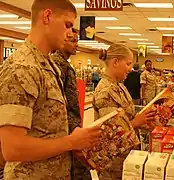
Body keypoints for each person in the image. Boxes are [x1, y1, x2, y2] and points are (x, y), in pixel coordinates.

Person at [0, 0, 101, 179]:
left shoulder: (49, 65)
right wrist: (70, 142)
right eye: (67, 25)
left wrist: (74, 141)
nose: (70, 34)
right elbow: (13, 149)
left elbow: (46, 128)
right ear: (47, 16)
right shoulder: (22, 67)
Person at [93, 44, 155, 180]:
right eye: (127, 64)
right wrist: (137, 121)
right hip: (113, 163)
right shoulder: (106, 90)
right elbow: (110, 133)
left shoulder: (119, 86)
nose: (130, 68)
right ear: (115, 62)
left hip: (126, 156)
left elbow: (126, 116)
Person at [50, 29, 91, 179]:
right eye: (73, 41)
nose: (76, 45)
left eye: (77, 41)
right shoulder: (58, 65)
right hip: (65, 129)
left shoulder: (65, 65)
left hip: (72, 127)